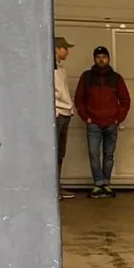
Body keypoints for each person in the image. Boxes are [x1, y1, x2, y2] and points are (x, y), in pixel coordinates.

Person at [73, 45, 132, 197]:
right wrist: (86, 117)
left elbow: (125, 100)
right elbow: (79, 99)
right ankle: (98, 184)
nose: (101, 60)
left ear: (108, 59)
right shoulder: (86, 77)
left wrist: (118, 119)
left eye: (104, 57)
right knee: (94, 154)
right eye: (98, 57)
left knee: (108, 155)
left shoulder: (116, 78)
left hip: (111, 123)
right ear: (94, 59)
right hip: (93, 122)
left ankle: (106, 183)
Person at [53, 35, 75, 200]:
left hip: (66, 112)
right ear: (56, 49)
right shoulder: (49, 70)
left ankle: (57, 185)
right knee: (54, 152)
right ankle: (52, 187)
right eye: (64, 48)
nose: (67, 52)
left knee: (60, 152)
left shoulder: (62, 70)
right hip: (58, 113)